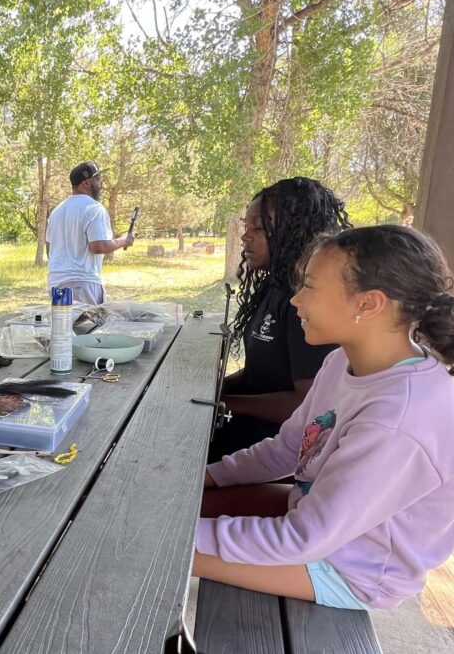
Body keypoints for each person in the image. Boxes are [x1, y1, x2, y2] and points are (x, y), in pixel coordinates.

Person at [194, 225, 454, 611]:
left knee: (152, 543)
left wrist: (175, 534)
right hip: (318, 523)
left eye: (311, 287)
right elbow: (287, 448)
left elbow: (303, 539)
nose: (296, 301)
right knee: (179, 503)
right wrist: (210, 476)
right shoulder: (342, 361)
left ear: (368, 304)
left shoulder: (398, 419)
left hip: (350, 571)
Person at [211, 177, 351, 460]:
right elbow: (260, 375)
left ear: (296, 230)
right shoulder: (274, 285)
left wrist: (222, 402)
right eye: (246, 227)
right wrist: (212, 392)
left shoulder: (307, 304)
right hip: (244, 428)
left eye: (259, 228)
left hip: (275, 448)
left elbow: (306, 404)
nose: (245, 237)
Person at [45, 162, 134, 305]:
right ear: (86, 182)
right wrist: (123, 241)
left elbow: (50, 251)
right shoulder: (94, 208)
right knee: (89, 326)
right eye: (98, 179)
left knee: (64, 324)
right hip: (83, 284)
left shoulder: (56, 212)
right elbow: (99, 246)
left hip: (57, 284)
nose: (101, 184)